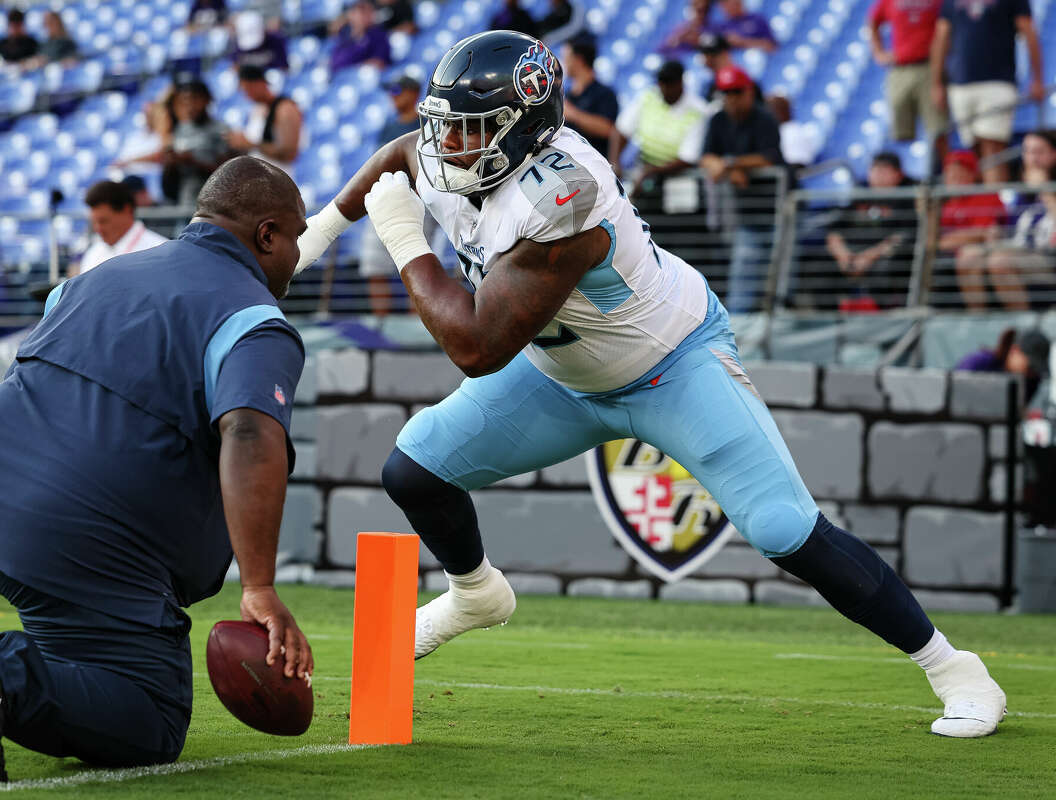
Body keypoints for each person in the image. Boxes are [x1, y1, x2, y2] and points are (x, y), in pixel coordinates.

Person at [294, 30, 1007, 739]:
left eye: (471, 130)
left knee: (785, 529)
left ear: (526, 130)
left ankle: (954, 669)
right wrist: (318, 235)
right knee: (414, 470)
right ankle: (477, 595)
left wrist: (407, 243)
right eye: (447, 127)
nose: (448, 146)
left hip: (672, 365)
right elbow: (399, 155)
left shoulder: (562, 197)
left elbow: (476, 347)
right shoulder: (456, 153)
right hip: (561, 375)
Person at [0, 157, 313, 784]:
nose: (299, 255)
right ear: (268, 236)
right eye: (295, 236)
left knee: (87, 644)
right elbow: (248, 430)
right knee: (151, 715)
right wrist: (260, 587)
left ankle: (1, 678)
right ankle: (0, 675)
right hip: (77, 533)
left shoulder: (95, 277)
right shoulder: (254, 320)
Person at [930, 0, 1043, 185]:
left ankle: (994, 205)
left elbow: (1029, 33)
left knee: (993, 148)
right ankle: (984, 205)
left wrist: (1037, 78)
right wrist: (936, 83)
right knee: (974, 151)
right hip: (960, 84)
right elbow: (941, 37)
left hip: (998, 82)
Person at [699, 65, 783, 312]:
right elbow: (706, 156)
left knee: (780, 277)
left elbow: (770, 157)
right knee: (745, 274)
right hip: (748, 212)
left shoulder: (764, 118)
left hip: (778, 208)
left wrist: (730, 164)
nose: (731, 98)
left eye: (736, 92)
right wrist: (725, 166)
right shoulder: (718, 119)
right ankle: (743, 329)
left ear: (748, 92)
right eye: (726, 93)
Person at [361, 75, 424, 315]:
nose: (393, 96)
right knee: (374, 266)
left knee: (417, 266)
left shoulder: (424, 124)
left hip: (415, 201)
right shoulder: (389, 125)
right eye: (391, 91)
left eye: (398, 90)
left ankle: (418, 327)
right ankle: (382, 326)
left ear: (413, 93)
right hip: (385, 198)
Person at [609, 60, 709, 212]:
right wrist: (615, 163)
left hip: (680, 182)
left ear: (680, 82)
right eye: (661, 81)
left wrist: (651, 171)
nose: (663, 87)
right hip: (646, 176)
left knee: (677, 228)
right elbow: (621, 130)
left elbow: (688, 158)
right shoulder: (648, 97)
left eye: (668, 82)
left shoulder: (698, 110)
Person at [953, 164, 1055, 310]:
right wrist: (995, 232)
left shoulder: (1049, 194)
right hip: (1015, 248)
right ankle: (977, 320)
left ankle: (1020, 324)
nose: (1033, 160)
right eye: (1028, 152)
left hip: (1044, 256)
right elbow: (1009, 229)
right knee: (968, 255)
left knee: (999, 262)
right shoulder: (1020, 195)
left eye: (1038, 152)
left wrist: (1046, 190)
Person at [824, 151, 918, 309]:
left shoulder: (907, 198)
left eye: (885, 169)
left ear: (898, 174)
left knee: (888, 265)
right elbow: (834, 231)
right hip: (851, 255)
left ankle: (881, 315)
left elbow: (902, 237)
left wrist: (867, 258)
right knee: (818, 259)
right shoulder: (861, 193)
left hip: (881, 256)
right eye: (875, 169)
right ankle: (824, 314)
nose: (878, 174)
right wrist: (844, 257)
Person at [867, 0, 946, 168]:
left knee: (938, 128)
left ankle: (944, 172)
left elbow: (948, 25)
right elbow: (873, 21)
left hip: (929, 65)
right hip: (901, 66)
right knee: (901, 130)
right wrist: (878, 52)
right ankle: (904, 175)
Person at [941, 150, 1008, 309]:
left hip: (987, 252)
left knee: (970, 255)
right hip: (952, 256)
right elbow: (936, 242)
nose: (954, 179)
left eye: (960, 173)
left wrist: (950, 240)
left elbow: (985, 233)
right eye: (950, 174)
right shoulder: (946, 204)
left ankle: (978, 315)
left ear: (973, 175)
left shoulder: (987, 196)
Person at [72, 181, 168, 276]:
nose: (98, 229)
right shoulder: (94, 253)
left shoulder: (161, 252)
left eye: (103, 221)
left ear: (126, 210)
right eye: (94, 222)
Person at [166, 77, 233, 207]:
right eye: (185, 101)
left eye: (195, 99)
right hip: (186, 199)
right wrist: (172, 161)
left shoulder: (220, 129)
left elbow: (227, 171)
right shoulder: (181, 129)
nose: (190, 106)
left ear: (206, 100)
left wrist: (193, 161)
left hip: (214, 201)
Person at [225, 65, 303, 178]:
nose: (247, 95)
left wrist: (251, 144)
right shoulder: (257, 109)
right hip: (259, 179)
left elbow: (289, 153)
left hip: (279, 181)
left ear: (259, 83)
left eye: (248, 89)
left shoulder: (285, 108)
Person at [560, 36, 618, 158]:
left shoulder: (605, 93)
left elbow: (608, 130)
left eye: (566, 58)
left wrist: (573, 114)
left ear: (579, 60)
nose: (563, 63)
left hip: (593, 164)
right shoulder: (569, 94)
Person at [957, 327, 1049, 404]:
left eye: (1037, 369)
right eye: (1031, 367)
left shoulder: (1031, 381)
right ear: (1014, 350)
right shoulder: (978, 363)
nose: (1032, 374)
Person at [697, 32, 764, 104]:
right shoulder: (708, 84)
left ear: (726, 54)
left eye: (713, 55)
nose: (709, 60)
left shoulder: (744, 79)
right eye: (706, 55)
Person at [329, 0, 391, 74]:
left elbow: (379, 63)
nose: (365, 15)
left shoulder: (378, 34)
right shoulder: (344, 33)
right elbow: (335, 62)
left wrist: (352, 70)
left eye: (368, 11)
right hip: (340, 78)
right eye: (361, 11)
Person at [767, 93, 821, 167]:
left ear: (781, 111)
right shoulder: (784, 129)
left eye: (770, 110)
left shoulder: (792, 132)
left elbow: (797, 165)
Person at [709, 0, 777, 53]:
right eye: (725, 2)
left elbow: (772, 47)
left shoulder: (757, 19)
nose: (732, 3)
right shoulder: (719, 27)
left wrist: (742, 42)